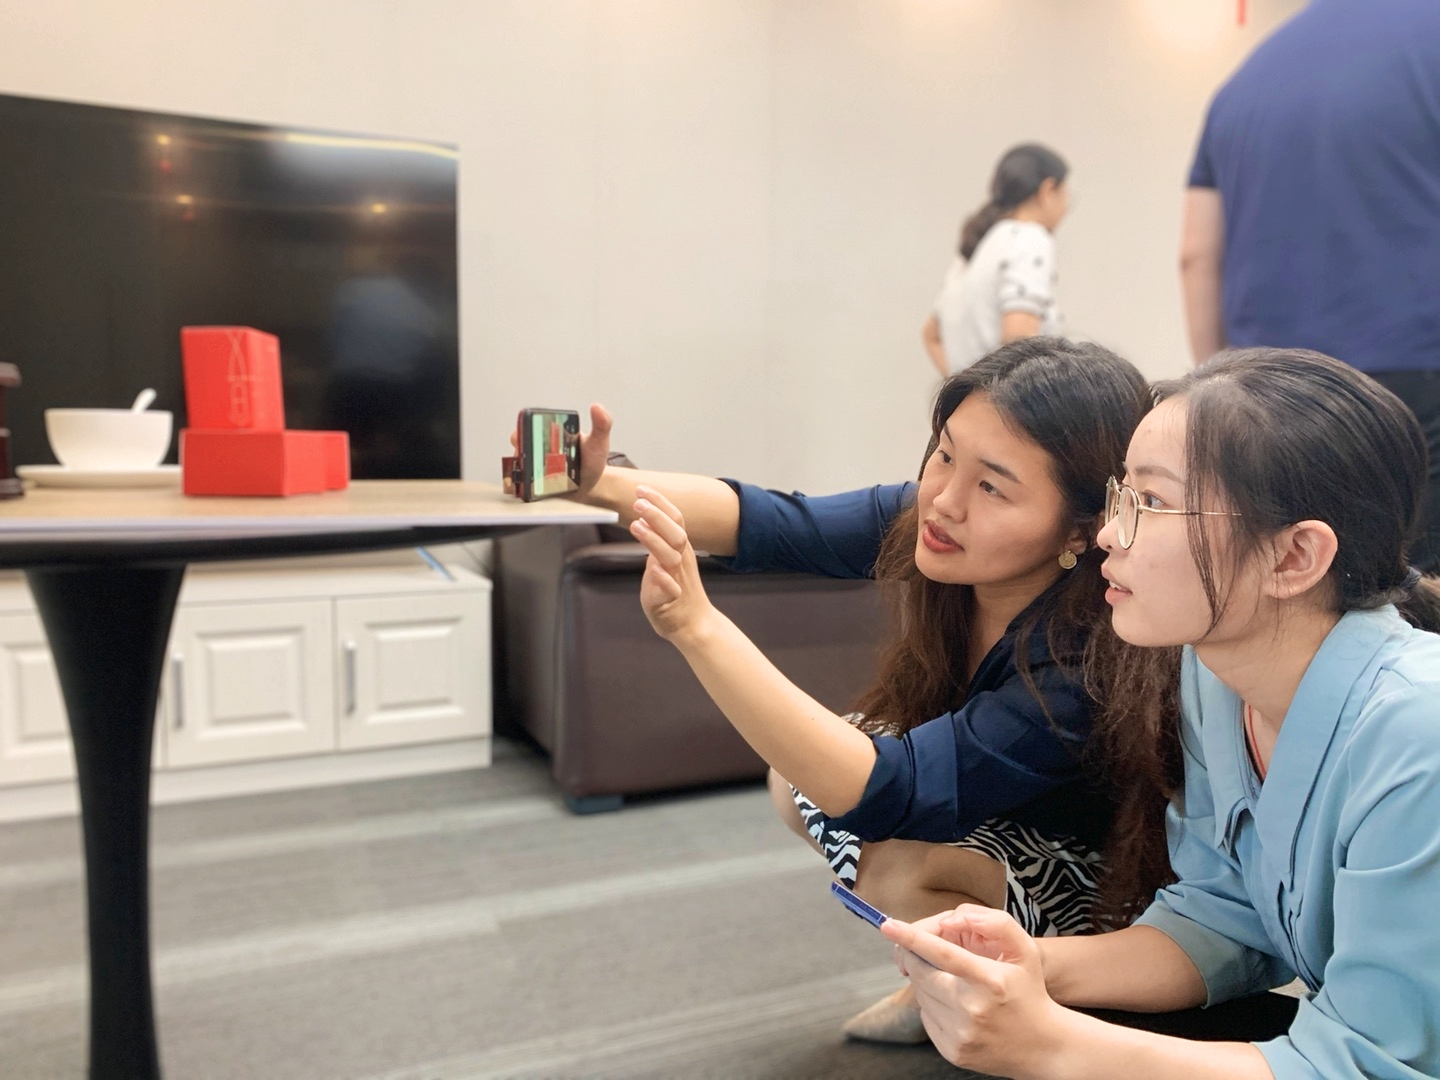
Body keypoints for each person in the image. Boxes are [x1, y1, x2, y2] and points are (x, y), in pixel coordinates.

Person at [596, 337, 1178, 1043]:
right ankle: (946, 968)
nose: (943, 501)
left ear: (1084, 529)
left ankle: (1015, 997)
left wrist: (698, 628)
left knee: (895, 862)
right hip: (1005, 821)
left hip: (1112, 889)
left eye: (992, 487)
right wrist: (595, 486)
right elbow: (774, 523)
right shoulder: (939, 523)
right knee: (799, 776)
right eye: (945, 455)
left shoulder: (1083, 658)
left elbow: (886, 792)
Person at [880, 348, 1440, 1079]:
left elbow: (1376, 1063)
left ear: (1294, 557)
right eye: (1122, 496)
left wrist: (1050, 1044)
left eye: (1151, 504)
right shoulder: (1215, 674)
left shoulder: (1417, 731)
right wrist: (1034, 962)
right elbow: (1222, 920)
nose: (1109, 534)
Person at [1179, 0, 1440, 572]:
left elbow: (1196, 256)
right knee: (1420, 593)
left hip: (1273, 396)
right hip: (1418, 377)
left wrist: (1224, 389)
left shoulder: (1244, 82)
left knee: (1306, 582)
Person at [923, 144, 1069, 377]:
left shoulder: (973, 250)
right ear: (1048, 190)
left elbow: (931, 336)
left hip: (980, 398)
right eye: (1066, 195)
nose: (1066, 207)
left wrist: (962, 390)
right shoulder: (1029, 238)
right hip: (1013, 399)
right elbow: (1019, 338)